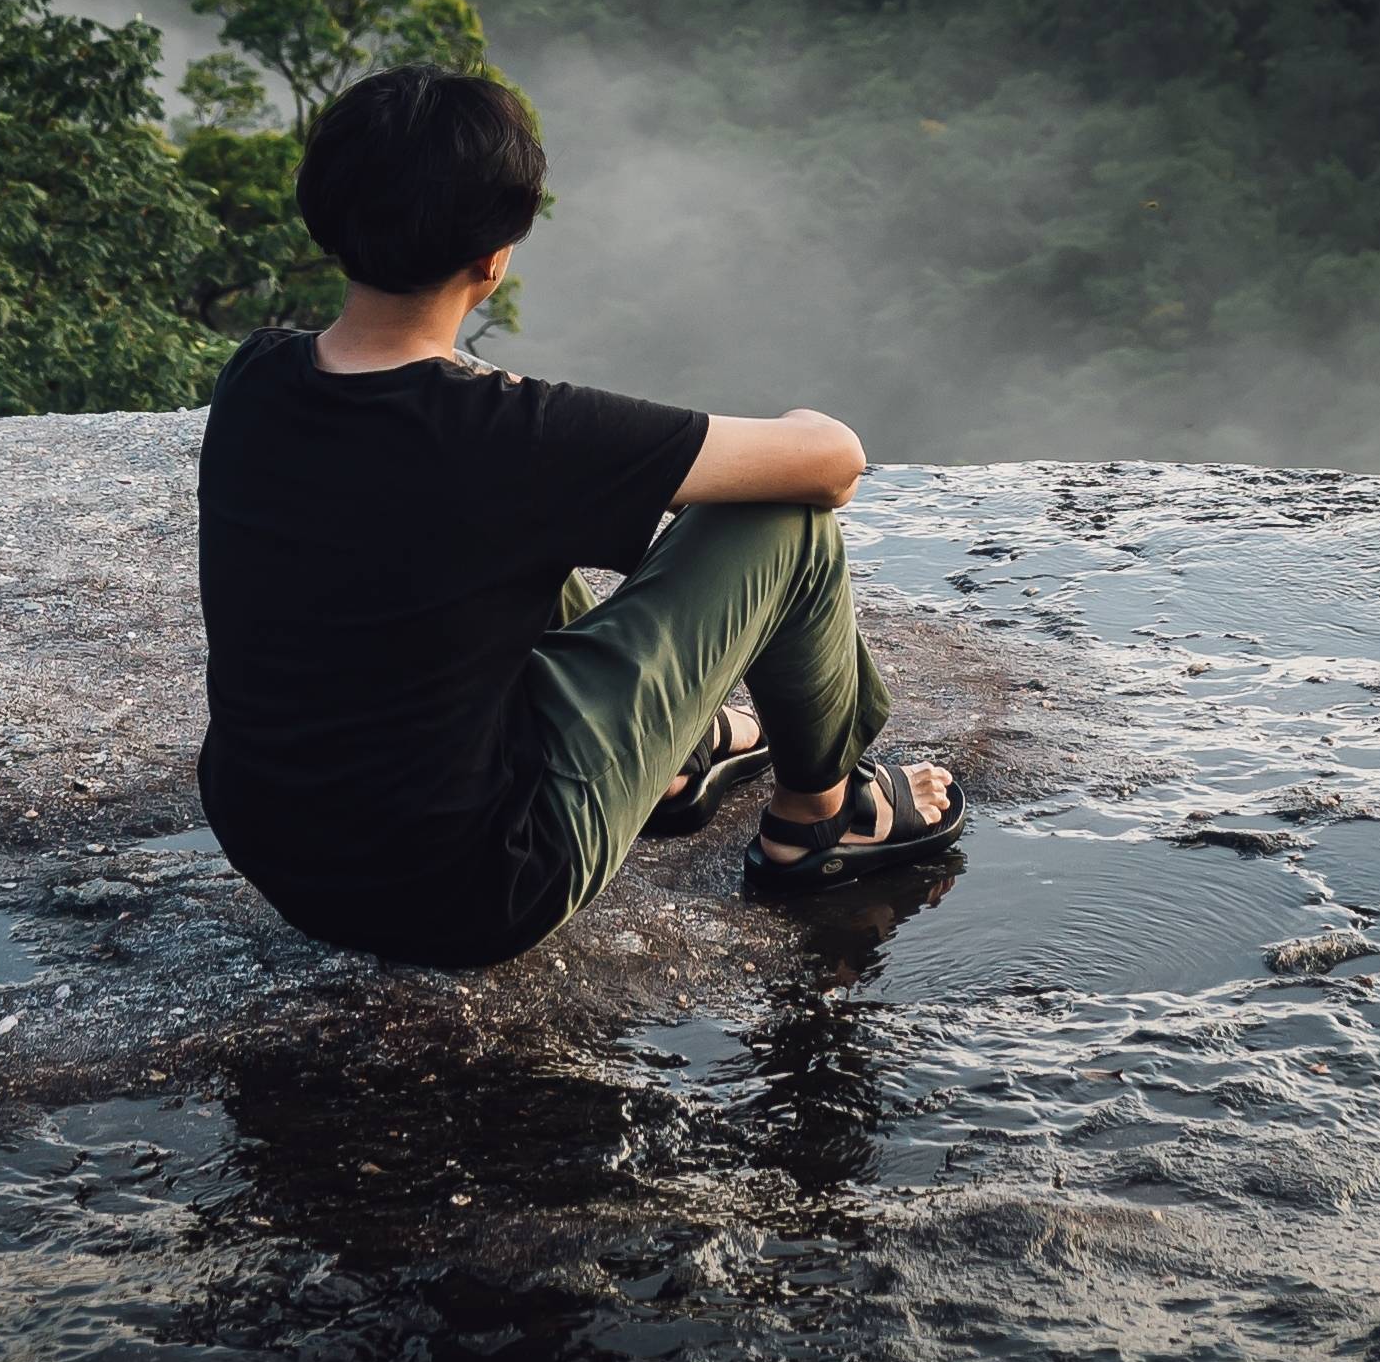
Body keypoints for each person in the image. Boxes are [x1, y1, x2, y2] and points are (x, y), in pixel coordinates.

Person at [193, 65, 963, 968]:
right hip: (476, 888)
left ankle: (675, 761)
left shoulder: (257, 377)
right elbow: (831, 468)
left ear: (327, 221)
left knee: (480, 542)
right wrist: (802, 425)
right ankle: (825, 818)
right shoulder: (510, 436)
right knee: (783, 523)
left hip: (282, 857)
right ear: (496, 254)